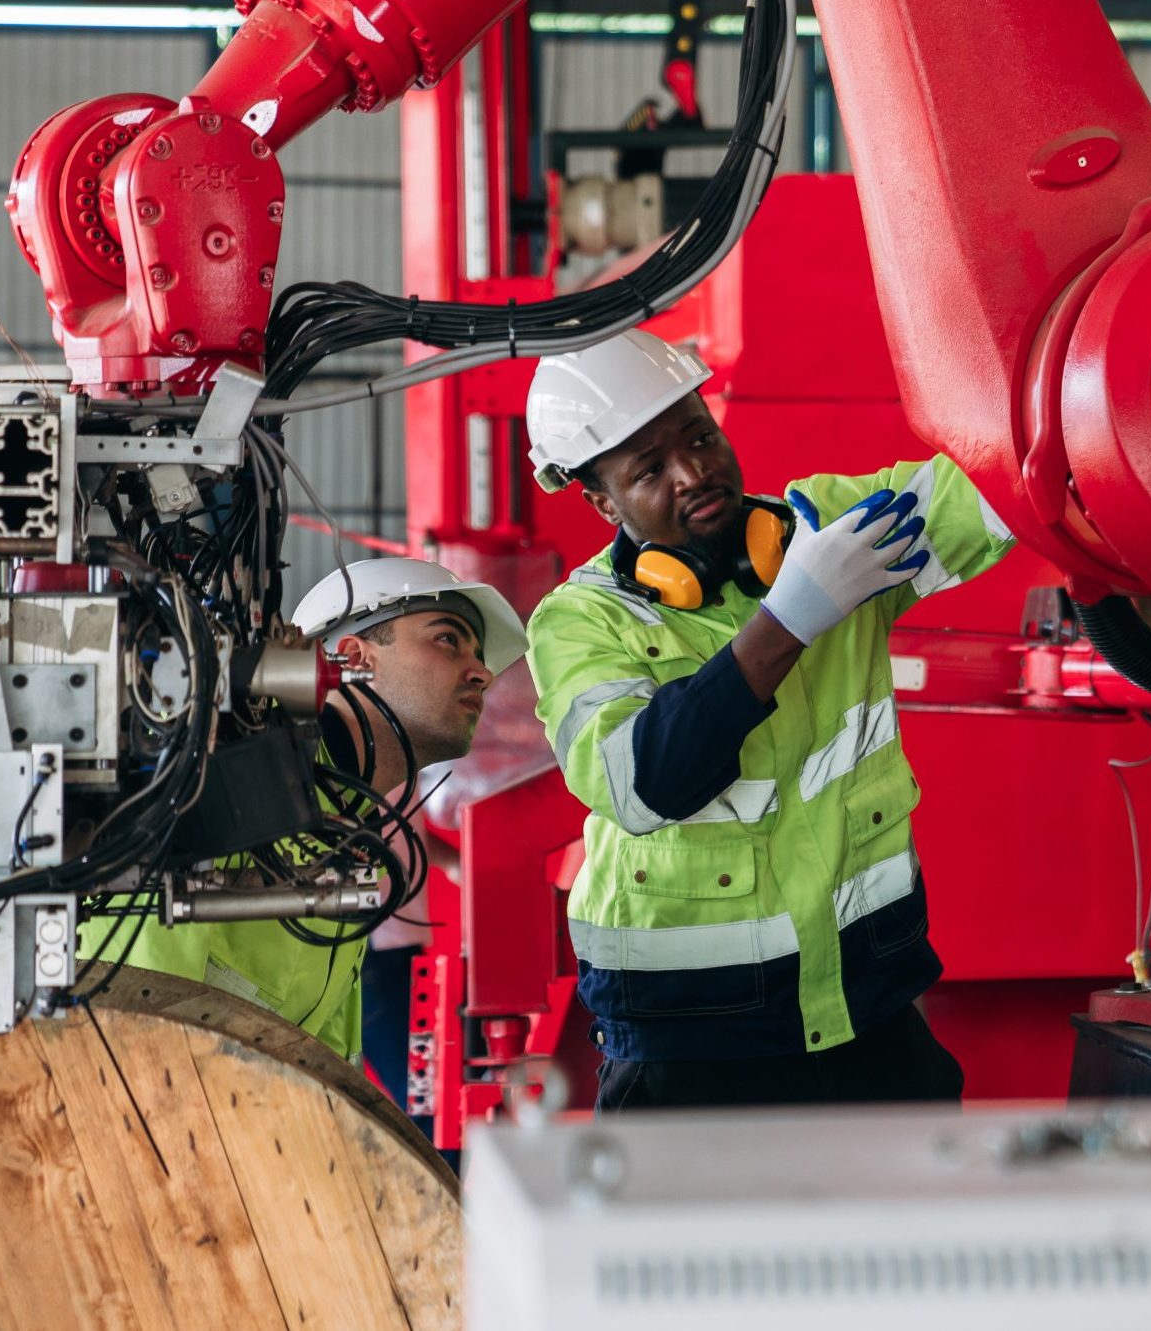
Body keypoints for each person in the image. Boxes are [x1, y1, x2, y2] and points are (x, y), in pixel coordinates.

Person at [524, 329, 1016, 1112]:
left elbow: (999, 489)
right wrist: (791, 615)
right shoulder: (581, 621)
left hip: (867, 1008)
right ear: (602, 502)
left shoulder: (820, 529)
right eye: (648, 470)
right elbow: (648, 781)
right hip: (689, 1039)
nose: (693, 473)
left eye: (698, 436)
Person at [81, 557, 525, 1060]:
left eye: (478, 654)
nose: (482, 673)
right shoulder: (232, 767)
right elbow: (138, 1007)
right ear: (354, 655)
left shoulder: (355, 824)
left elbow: (327, 1057)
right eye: (448, 639)